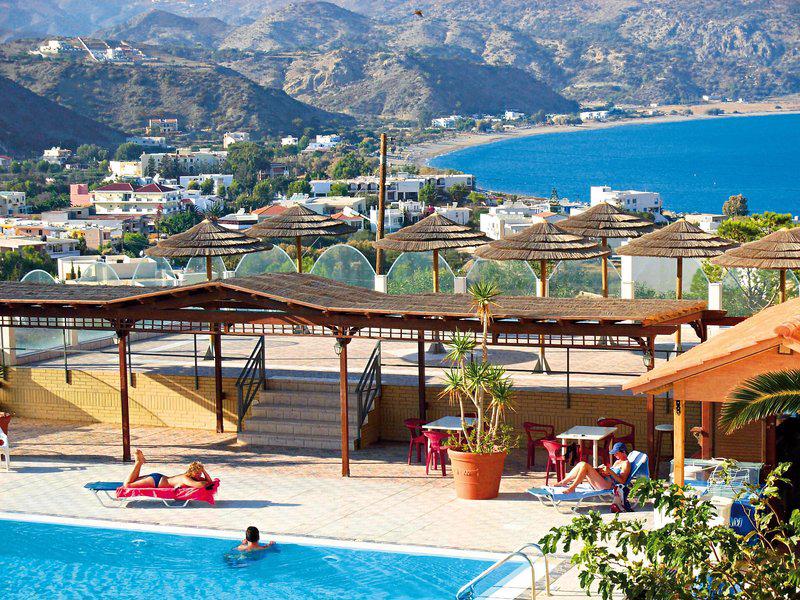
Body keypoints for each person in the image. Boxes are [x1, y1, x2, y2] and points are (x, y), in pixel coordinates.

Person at [554, 442, 631, 494]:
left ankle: (572, 487)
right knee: (581, 463)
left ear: (623, 452)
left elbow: (622, 481)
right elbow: (612, 474)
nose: (614, 455)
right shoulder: (617, 461)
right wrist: (602, 471)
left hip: (609, 486)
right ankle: (564, 482)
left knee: (585, 465)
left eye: (616, 453)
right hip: (603, 481)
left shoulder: (626, 464)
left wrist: (610, 471)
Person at [123, 449, 214, 490]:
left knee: (133, 480)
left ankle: (140, 462)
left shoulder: (192, 477)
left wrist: (204, 471)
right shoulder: (186, 478)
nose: (199, 475)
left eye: (200, 473)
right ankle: (138, 462)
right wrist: (205, 481)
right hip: (156, 482)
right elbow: (200, 485)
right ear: (192, 472)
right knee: (127, 485)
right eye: (197, 473)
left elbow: (209, 481)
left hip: (158, 479)